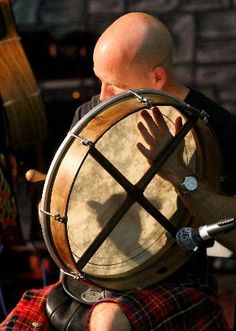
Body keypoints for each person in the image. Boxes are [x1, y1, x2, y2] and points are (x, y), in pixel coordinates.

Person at [1, 11, 236, 331]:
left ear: (157, 78)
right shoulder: (91, 113)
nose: (102, 95)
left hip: (170, 280)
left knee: (109, 322)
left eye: (115, 84)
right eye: (100, 79)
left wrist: (181, 175)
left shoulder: (217, 129)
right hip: (86, 280)